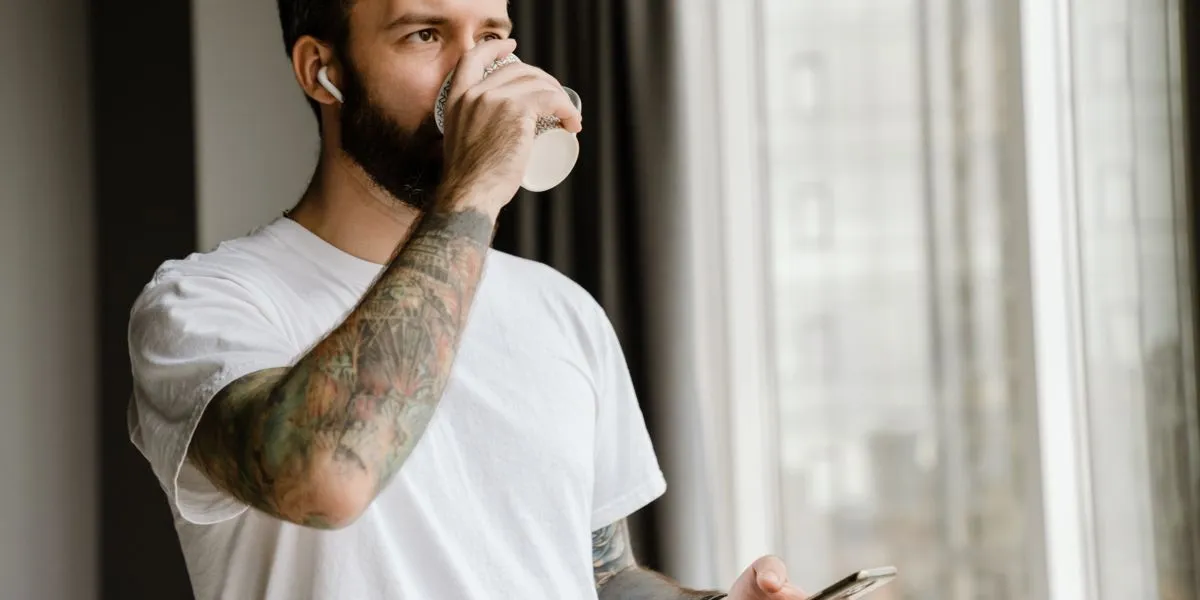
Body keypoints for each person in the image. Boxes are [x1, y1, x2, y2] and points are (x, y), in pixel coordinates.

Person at [126, 0, 808, 598]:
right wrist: (478, 182)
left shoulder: (562, 311)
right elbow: (327, 477)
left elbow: (601, 576)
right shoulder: (204, 305)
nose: (473, 76)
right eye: (425, 35)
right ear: (320, 71)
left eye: (491, 36)